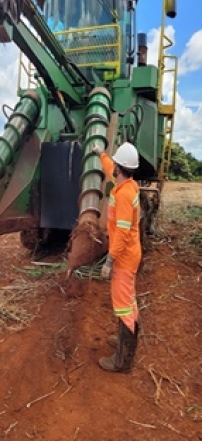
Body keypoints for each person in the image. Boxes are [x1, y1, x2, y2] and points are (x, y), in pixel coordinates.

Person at [94, 141, 141, 372]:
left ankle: (122, 360)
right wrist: (100, 154)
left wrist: (109, 261)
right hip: (130, 254)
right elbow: (109, 167)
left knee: (123, 305)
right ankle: (126, 340)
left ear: (120, 169)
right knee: (129, 301)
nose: (112, 167)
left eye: (115, 164)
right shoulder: (126, 185)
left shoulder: (123, 196)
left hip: (123, 257)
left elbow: (121, 233)